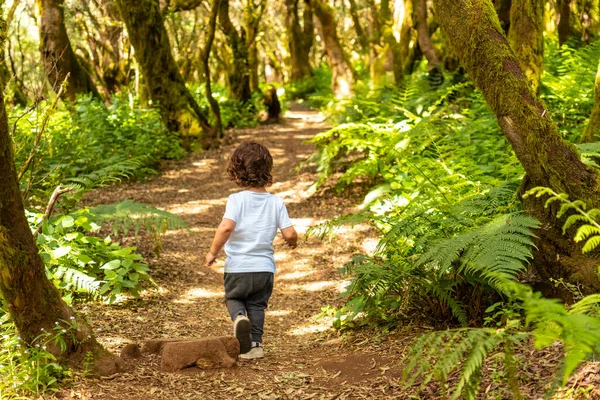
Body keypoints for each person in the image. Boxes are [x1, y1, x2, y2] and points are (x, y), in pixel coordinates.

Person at [205, 141, 298, 360]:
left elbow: (226, 227)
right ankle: (256, 346)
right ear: (267, 171)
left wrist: (213, 252)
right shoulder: (276, 202)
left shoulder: (236, 200)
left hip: (238, 267)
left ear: (237, 174)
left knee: (233, 298)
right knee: (257, 305)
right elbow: (290, 233)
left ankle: (238, 318)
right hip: (264, 269)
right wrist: (293, 243)